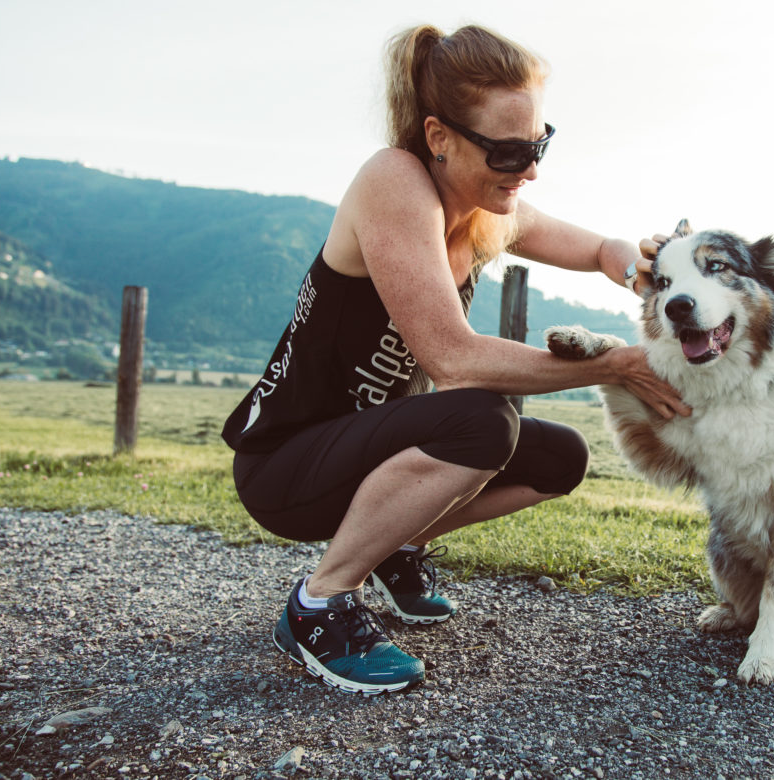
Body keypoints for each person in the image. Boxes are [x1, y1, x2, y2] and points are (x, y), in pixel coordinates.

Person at [221, 23, 689, 695]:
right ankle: (319, 605)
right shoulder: (394, 182)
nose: (529, 170)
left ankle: (393, 545)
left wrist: (638, 267)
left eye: (539, 144)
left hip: (368, 457)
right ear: (439, 137)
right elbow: (454, 359)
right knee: (481, 420)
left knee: (560, 458)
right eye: (509, 152)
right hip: (286, 467)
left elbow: (597, 249)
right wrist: (614, 365)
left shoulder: (483, 204)